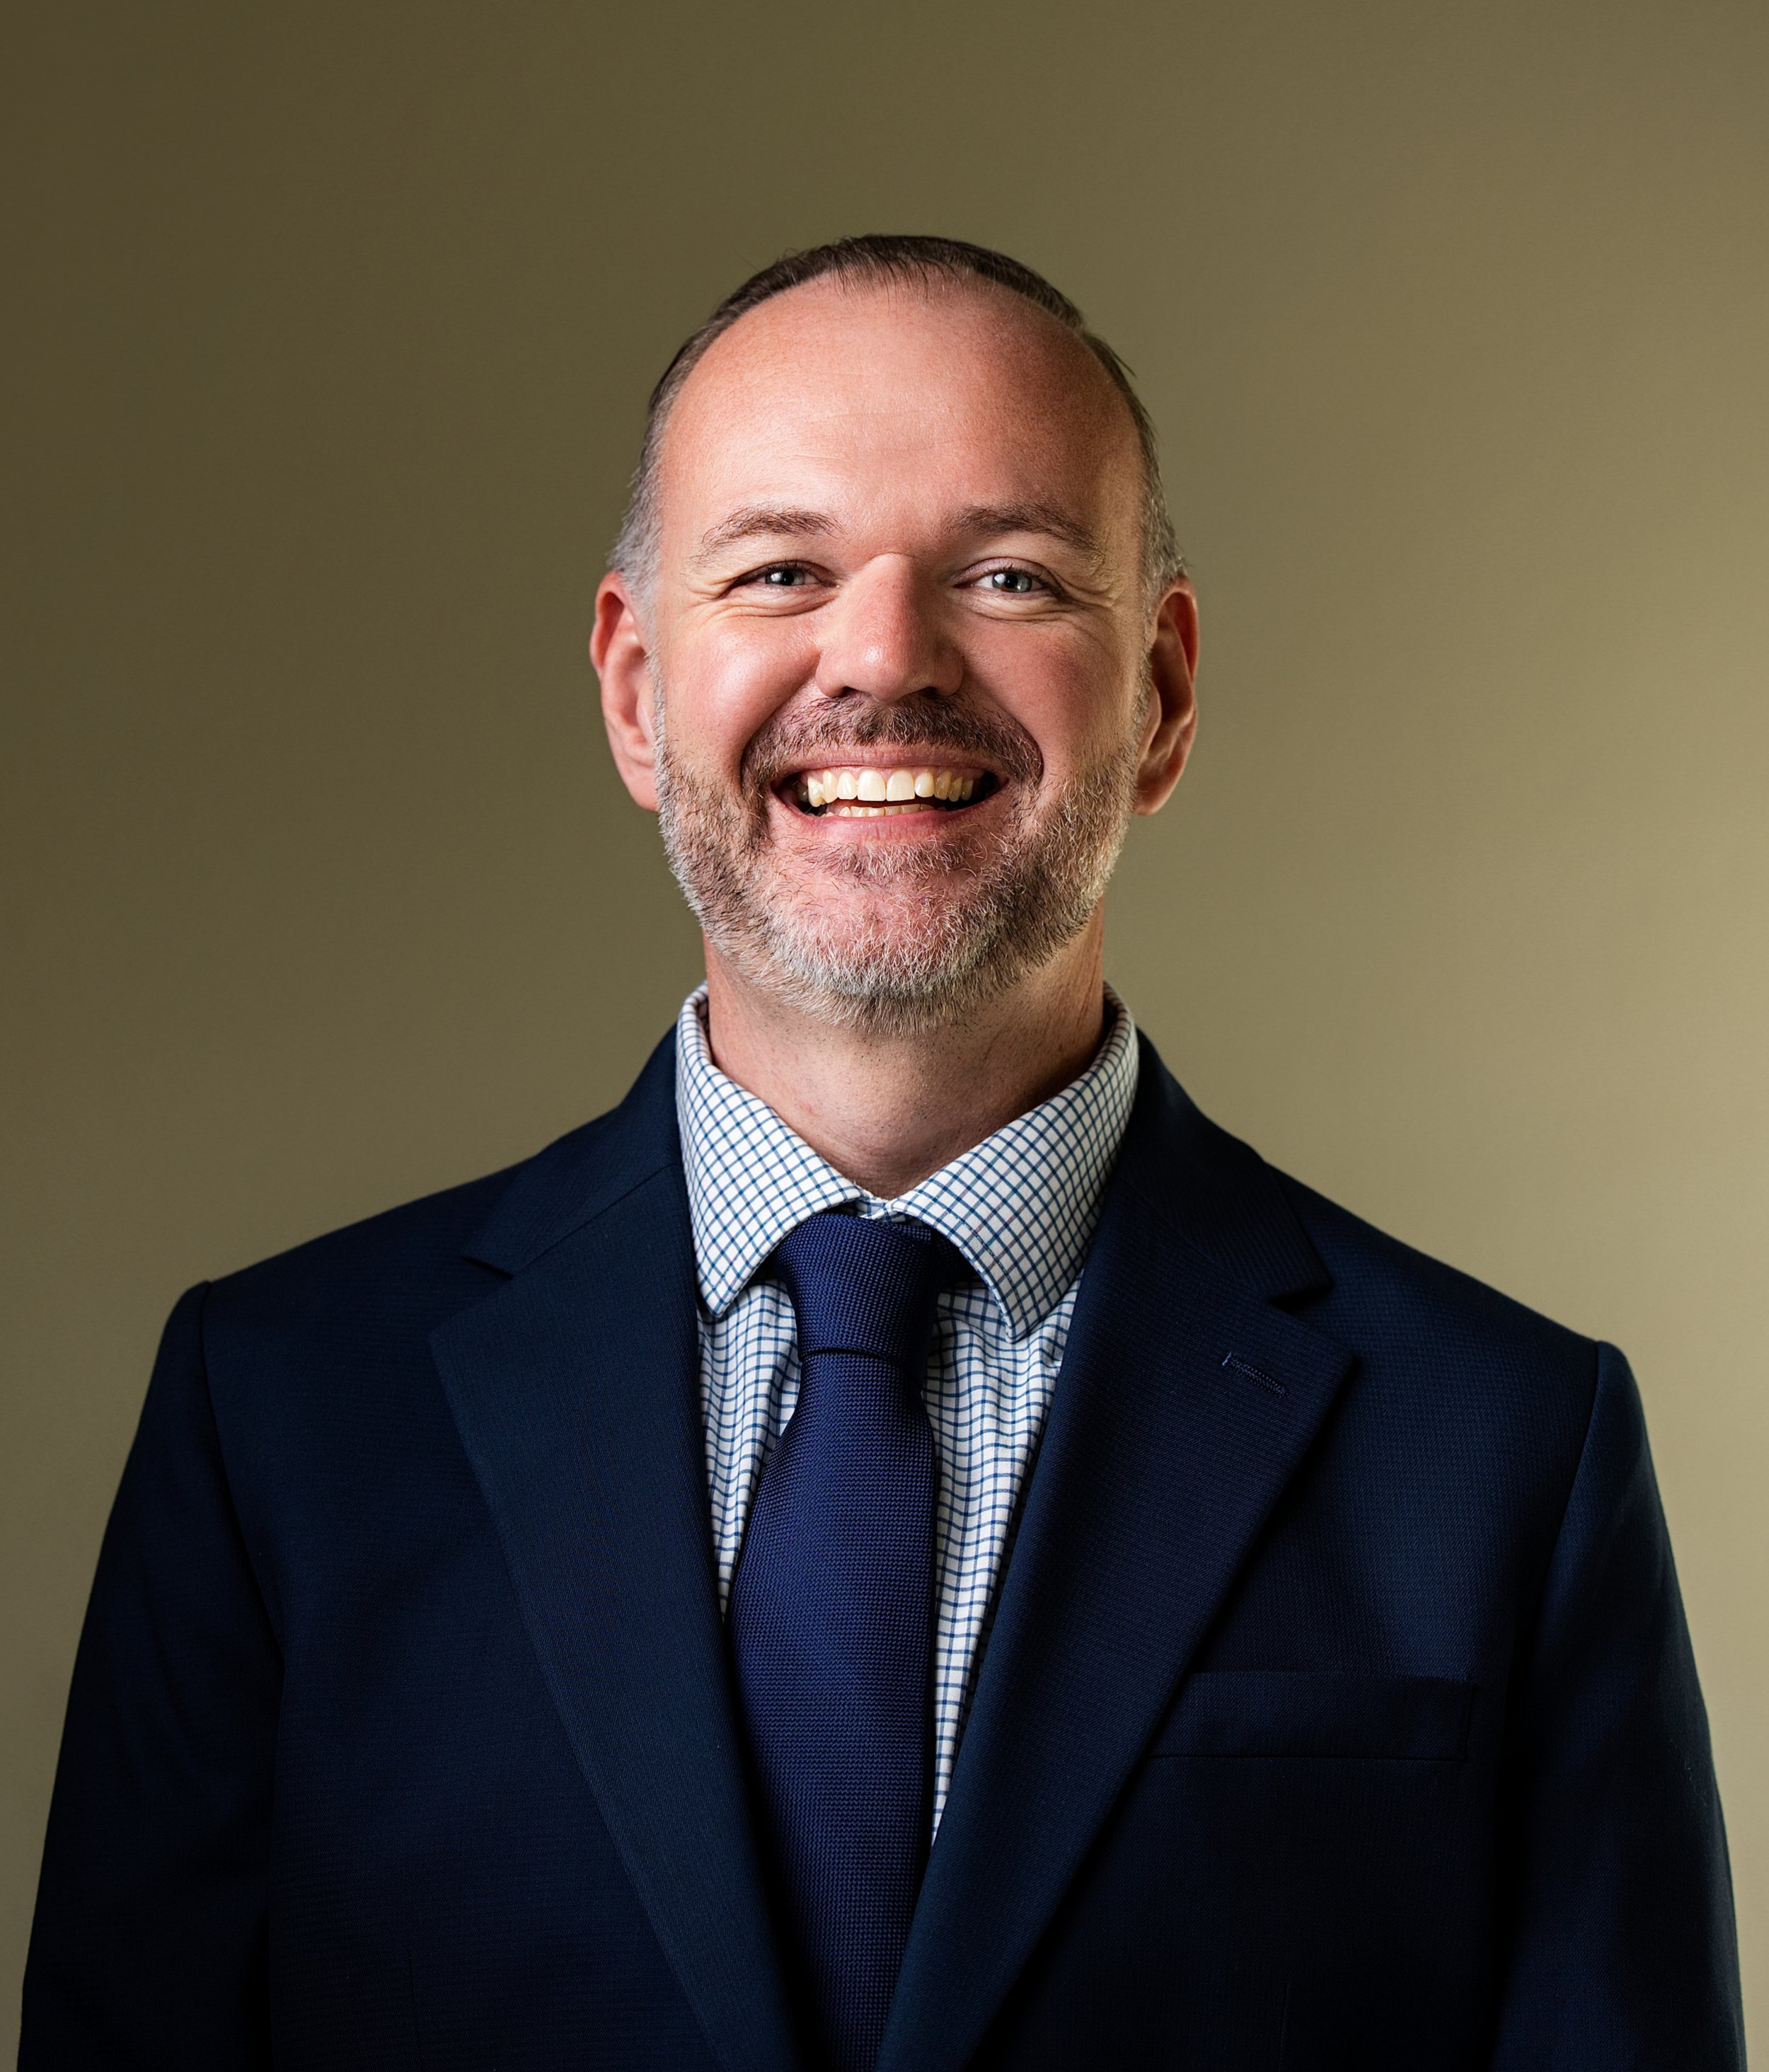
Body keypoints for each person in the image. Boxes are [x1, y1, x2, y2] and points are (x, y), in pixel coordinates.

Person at [23, 236, 1744, 2072]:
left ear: (1160, 693)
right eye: (780, 571)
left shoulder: (1499, 1451)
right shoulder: (280, 1419)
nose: (884, 658)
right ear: (631, 690)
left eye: (1006, 575)